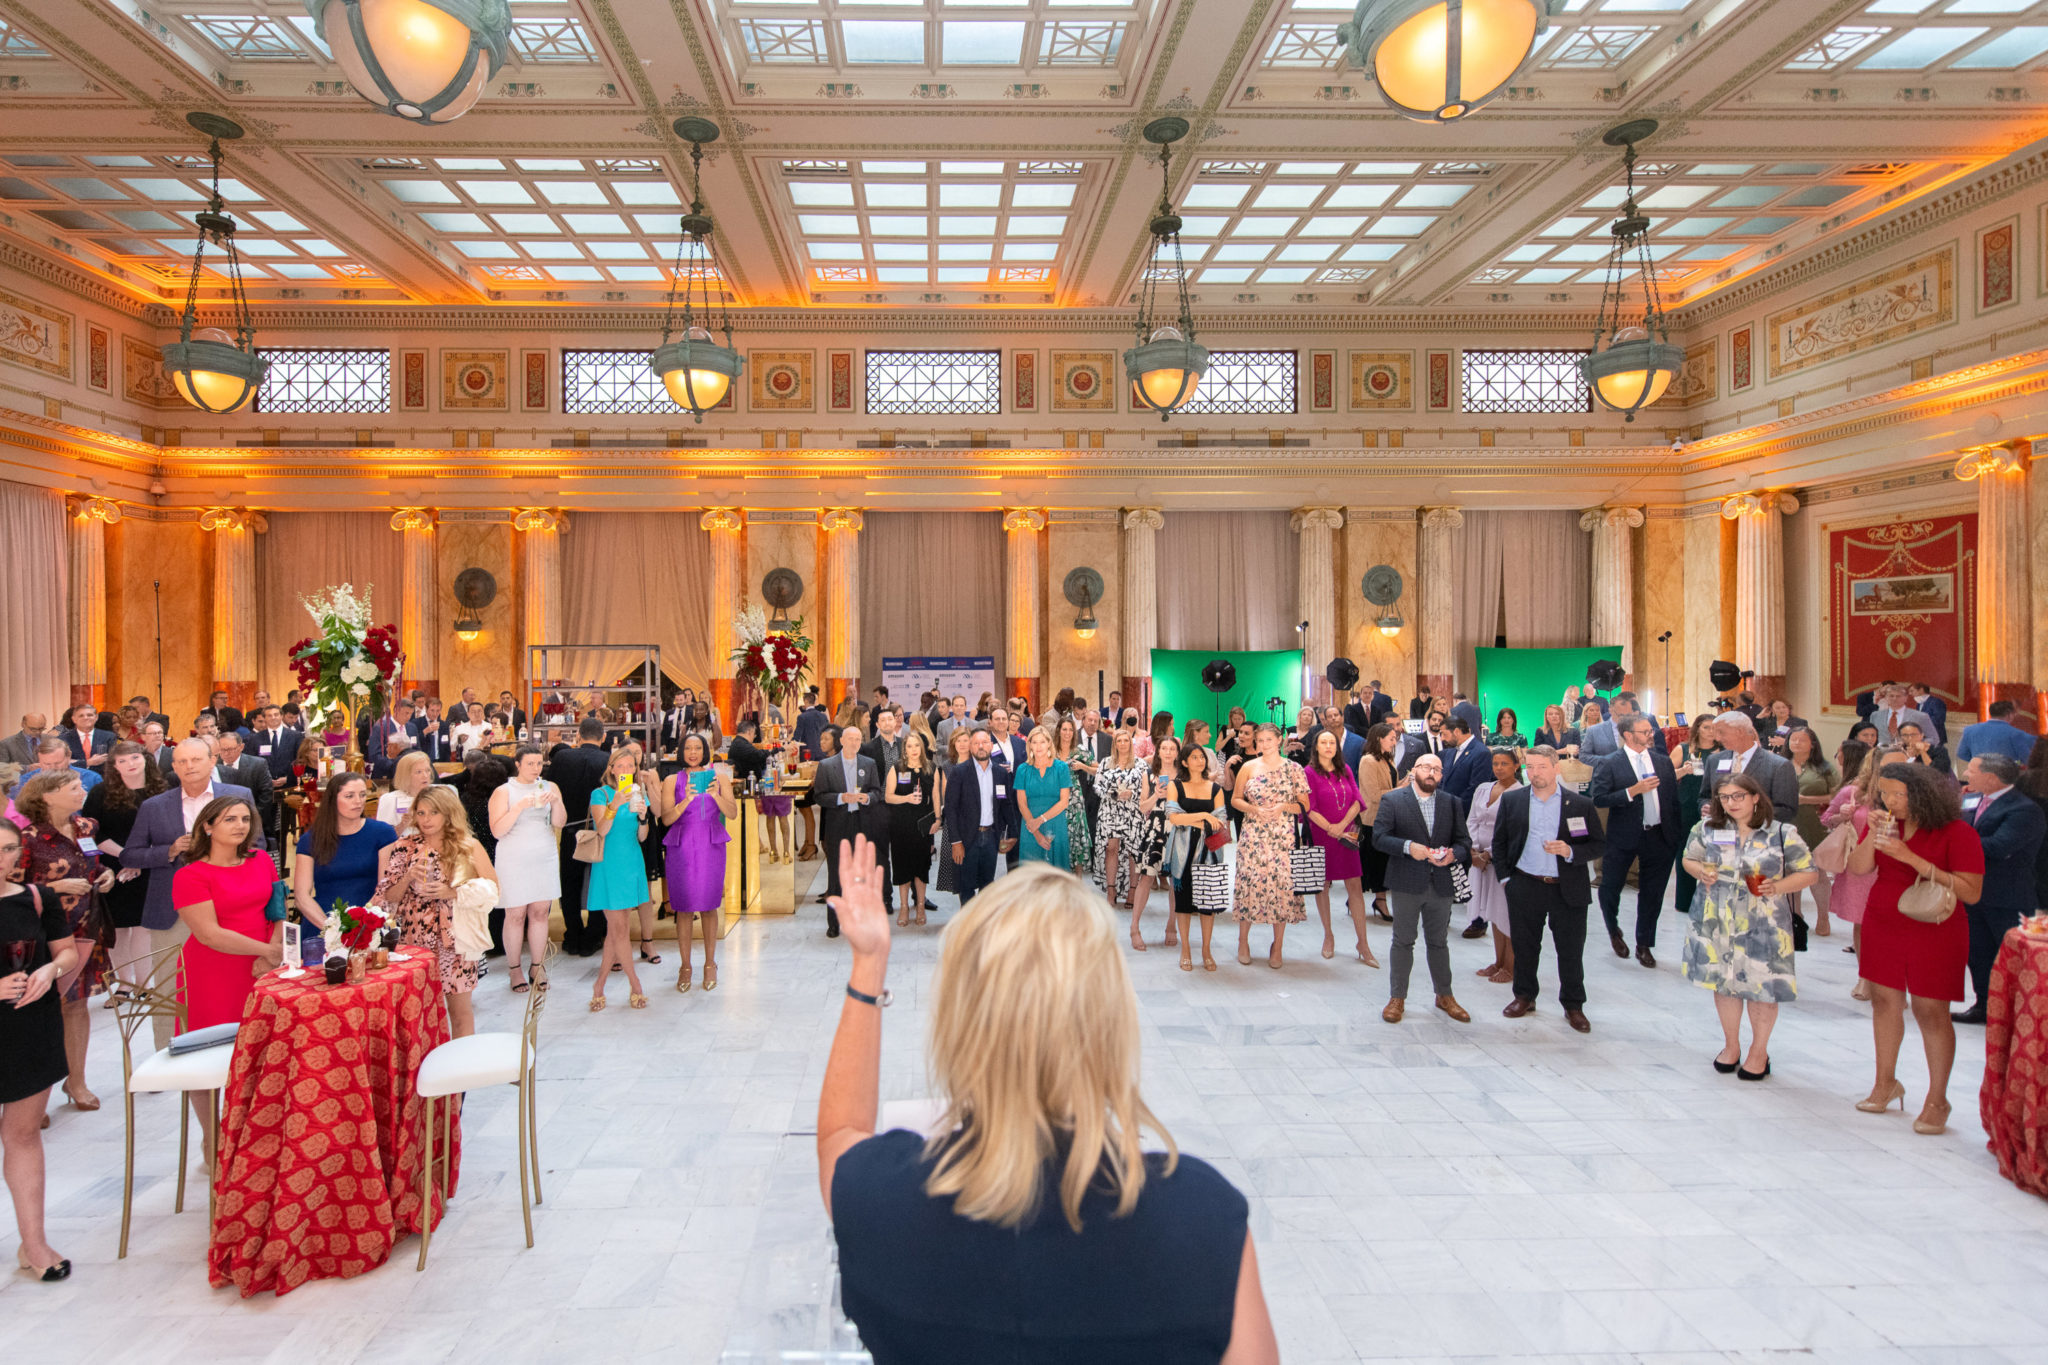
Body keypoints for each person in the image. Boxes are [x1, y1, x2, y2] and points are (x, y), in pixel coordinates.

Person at [817, 845, 1275, 1364]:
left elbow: (840, 1136)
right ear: (1110, 1021)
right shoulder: (1202, 1221)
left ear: (961, 1021)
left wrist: (869, 966)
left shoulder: (887, 1205)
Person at [1848, 761, 1984, 1134]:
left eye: (1898, 794)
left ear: (1922, 795)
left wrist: (1910, 857)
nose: (1890, 800)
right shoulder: (1888, 824)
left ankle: (1938, 1098)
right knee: (1884, 1001)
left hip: (1935, 925)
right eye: (1885, 793)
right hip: (1884, 919)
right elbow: (1859, 869)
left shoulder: (1957, 832)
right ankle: (1885, 1082)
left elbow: (1971, 891)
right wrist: (1869, 833)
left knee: (1930, 1009)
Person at [1678, 774, 1817, 1080]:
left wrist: (1778, 886)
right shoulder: (1708, 828)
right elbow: (1689, 859)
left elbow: (1809, 872)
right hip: (1717, 917)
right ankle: (1731, 1046)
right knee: (1724, 983)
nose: (1732, 803)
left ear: (1756, 797)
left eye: (1738, 796)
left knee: (1762, 988)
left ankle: (1759, 1051)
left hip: (1764, 922)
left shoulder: (1781, 832)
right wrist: (1702, 871)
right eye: (1725, 797)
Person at [0, 821, 77, 1281]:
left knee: (23, 1135)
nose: (3, 857)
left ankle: (34, 1244)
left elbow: (65, 951)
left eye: (10, 848)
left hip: (31, 1023)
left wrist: (50, 971)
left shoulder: (36, 896)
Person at [14, 772, 113, 1112]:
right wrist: (55, 889)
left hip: (86, 930)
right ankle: (33, 1096)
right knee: (40, 1011)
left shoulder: (87, 827)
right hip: (42, 937)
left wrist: (107, 876)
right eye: (73, 788)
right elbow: (12, 889)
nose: (82, 790)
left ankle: (77, 1081)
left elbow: (93, 866)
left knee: (76, 1005)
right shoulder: (26, 838)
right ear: (47, 797)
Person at [1492, 746, 1606, 1031]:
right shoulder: (1513, 801)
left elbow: (1598, 844)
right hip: (1525, 884)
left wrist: (1570, 851)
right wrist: (1507, 880)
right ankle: (1524, 996)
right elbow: (1500, 842)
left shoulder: (1579, 804)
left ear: (1556, 768)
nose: (1535, 773)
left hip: (1566, 889)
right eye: (1530, 767)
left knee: (1570, 950)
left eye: (1542, 766)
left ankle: (1573, 1005)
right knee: (1525, 946)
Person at [370, 787, 491, 1039]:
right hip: (413, 941)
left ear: (448, 813)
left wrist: (454, 893)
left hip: (455, 938)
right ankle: (426, 1070)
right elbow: (387, 896)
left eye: (433, 812)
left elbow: (493, 888)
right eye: (421, 813)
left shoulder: (467, 846)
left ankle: (461, 1071)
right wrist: (407, 878)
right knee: (418, 1012)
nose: (426, 819)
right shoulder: (404, 846)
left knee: (460, 1012)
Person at [1369, 753, 1471, 1023]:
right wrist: (1407, 847)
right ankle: (1397, 998)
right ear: (1414, 771)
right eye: (1426, 767)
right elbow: (1379, 838)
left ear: (1441, 775)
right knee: (1403, 941)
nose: (1431, 773)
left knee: (1438, 942)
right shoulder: (1393, 800)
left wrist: (1454, 854)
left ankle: (1444, 995)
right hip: (1406, 881)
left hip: (1441, 883)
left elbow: (1464, 842)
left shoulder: (1452, 803)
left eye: (1437, 769)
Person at [168, 794, 279, 1038]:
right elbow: (209, 935)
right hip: (215, 969)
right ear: (207, 826)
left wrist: (272, 953)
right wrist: (267, 951)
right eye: (230, 819)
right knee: (220, 1045)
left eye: (245, 819)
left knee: (267, 1038)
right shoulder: (190, 876)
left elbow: (277, 909)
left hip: (265, 962)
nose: (240, 825)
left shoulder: (261, 859)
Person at [1952, 755, 2045, 1024]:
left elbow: (1998, 847)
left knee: (2007, 956)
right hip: (1973, 891)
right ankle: (1984, 1004)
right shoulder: (1973, 797)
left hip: (2006, 895)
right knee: (1977, 951)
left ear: (1991, 777)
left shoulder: (2023, 810)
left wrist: (1956, 841)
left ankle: (2012, 1010)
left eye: (1972, 770)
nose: (1967, 773)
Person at [1591, 714, 1683, 968]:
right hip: (1623, 836)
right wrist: (1632, 791)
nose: (1651, 734)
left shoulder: (1663, 763)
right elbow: (1599, 798)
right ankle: (1613, 929)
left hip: (1659, 836)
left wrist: (1674, 836)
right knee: (1610, 887)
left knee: (1652, 894)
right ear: (1628, 735)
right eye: (1645, 731)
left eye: (1650, 730)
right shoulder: (1610, 763)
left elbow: (1672, 802)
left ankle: (1644, 944)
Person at [82, 741, 165, 993]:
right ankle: (123, 985)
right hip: (112, 868)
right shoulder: (100, 791)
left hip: (153, 865)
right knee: (117, 927)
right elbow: (91, 833)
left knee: (143, 927)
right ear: (114, 765)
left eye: (134, 758)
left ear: (145, 759)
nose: (130, 764)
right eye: (122, 761)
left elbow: (168, 831)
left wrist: (141, 859)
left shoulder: (162, 788)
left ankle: (143, 984)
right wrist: (128, 857)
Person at [293, 772, 397, 968]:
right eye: (349, 796)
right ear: (333, 800)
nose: (358, 802)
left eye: (362, 795)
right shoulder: (311, 839)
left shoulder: (382, 833)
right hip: (321, 924)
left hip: (369, 926)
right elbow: (301, 896)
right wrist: (332, 931)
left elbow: (384, 888)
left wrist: (364, 927)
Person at [659, 733, 736, 991]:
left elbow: (733, 813)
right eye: (689, 748)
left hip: (711, 846)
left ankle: (710, 963)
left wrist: (716, 795)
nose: (693, 752)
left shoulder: (720, 777)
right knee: (683, 907)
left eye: (698, 748)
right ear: (682, 751)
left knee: (709, 905)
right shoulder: (671, 780)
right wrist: (687, 800)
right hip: (682, 847)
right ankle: (685, 966)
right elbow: (666, 819)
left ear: (706, 751)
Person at [489, 744, 565, 994]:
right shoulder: (503, 791)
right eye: (530, 763)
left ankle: (537, 965)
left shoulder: (550, 786)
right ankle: (514, 969)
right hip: (513, 857)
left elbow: (559, 823)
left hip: (543, 854)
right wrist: (519, 806)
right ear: (518, 764)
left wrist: (556, 803)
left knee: (540, 912)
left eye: (539, 764)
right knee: (515, 914)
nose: (535, 768)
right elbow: (498, 831)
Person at [1231, 724, 1308, 970]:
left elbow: (1304, 805)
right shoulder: (1248, 767)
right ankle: (1243, 941)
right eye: (1260, 740)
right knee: (1249, 883)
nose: (1264, 744)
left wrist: (1283, 807)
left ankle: (1278, 945)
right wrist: (1254, 809)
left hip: (1283, 836)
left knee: (1281, 887)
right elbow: (1235, 799)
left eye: (1268, 740)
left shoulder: (1294, 769)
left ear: (1279, 740)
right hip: (1253, 834)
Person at [585, 747, 653, 1011]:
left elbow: (642, 837)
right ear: (611, 768)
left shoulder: (639, 793)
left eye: (630, 766)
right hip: (609, 865)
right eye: (621, 766)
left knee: (616, 932)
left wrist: (643, 816)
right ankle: (635, 985)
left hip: (632, 862)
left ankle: (599, 985)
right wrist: (615, 804)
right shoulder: (600, 794)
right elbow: (602, 829)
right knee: (620, 929)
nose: (626, 770)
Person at [1303, 729, 1372, 964]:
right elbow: (1309, 808)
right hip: (1322, 834)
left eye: (1332, 742)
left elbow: (1357, 800)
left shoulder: (1346, 769)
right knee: (1322, 884)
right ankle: (1328, 935)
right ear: (1316, 747)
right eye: (1324, 742)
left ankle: (1362, 942)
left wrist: (1342, 826)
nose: (1328, 746)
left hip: (1346, 836)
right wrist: (1331, 828)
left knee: (1355, 884)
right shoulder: (1309, 772)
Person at [544, 718, 611, 956]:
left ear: (579, 736)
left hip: (570, 827)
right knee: (598, 881)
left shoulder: (562, 758)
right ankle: (594, 934)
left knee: (569, 882)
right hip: (599, 828)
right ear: (603, 737)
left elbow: (550, 788)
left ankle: (572, 934)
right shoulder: (607, 760)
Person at [1167, 745, 1229, 973]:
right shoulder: (1176, 786)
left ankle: (1206, 949)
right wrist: (1203, 816)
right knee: (1183, 903)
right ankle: (1185, 949)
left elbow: (1220, 819)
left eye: (1202, 757)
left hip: (1210, 851)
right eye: (1194, 757)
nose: (1200, 760)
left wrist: (1190, 820)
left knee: (1207, 903)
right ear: (1184, 762)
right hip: (1182, 850)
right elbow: (1173, 817)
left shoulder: (1215, 788)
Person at [816, 725, 883, 936]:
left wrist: (868, 798)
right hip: (838, 825)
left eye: (858, 739)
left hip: (863, 823)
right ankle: (834, 924)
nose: (855, 743)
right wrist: (840, 798)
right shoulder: (827, 765)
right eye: (850, 739)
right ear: (842, 741)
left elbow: (876, 792)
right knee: (836, 875)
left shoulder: (869, 764)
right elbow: (819, 796)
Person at [1465, 749, 1521, 985]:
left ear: (1516, 766)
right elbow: (1472, 820)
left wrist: (1489, 854)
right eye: (1496, 763)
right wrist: (1474, 850)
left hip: (1504, 859)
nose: (1499, 768)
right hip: (1480, 859)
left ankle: (1511, 966)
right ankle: (1498, 961)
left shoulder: (1520, 793)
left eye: (1505, 763)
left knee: (1506, 913)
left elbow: (1514, 832)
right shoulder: (1483, 789)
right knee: (1492, 914)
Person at [1126, 736, 1182, 951]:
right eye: (1164, 748)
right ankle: (1134, 927)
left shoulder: (1185, 776)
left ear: (1178, 752)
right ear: (1158, 752)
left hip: (1178, 827)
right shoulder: (1148, 774)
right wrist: (1157, 795)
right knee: (1147, 877)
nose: (1168, 752)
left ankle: (1171, 924)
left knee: (1176, 880)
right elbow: (1142, 807)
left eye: (1172, 748)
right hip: (1156, 826)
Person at [1784, 726, 1837, 937]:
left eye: (1801, 740)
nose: (1796, 743)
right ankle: (1795, 915)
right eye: (1793, 739)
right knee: (1791, 871)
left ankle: (1823, 917)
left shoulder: (1824, 768)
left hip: (1815, 823)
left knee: (1817, 871)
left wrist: (1807, 800)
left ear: (1812, 744)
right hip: (1788, 823)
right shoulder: (1780, 765)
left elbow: (1836, 797)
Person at [1701, 712, 1799, 816]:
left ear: (1739, 731)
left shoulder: (1778, 765)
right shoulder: (1714, 760)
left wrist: (1748, 818)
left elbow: (1786, 809)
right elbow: (1705, 796)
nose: (1717, 739)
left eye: (1721, 732)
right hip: (1720, 829)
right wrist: (1706, 807)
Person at [884, 730, 935, 926]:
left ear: (922, 748)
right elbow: (888, 796)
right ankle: (904, 907)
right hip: (900, 825)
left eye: (916, 746)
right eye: (909, 746)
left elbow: (936, 798)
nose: (913, 750)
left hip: (922, 826)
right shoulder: (896, 768)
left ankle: (920, 905)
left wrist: (936, 820)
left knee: (921, 868)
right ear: (904, 750)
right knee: (903, 867)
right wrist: (906, 798)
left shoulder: (930, 768)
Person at [1093, 728, 1145, 909]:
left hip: (1133, 812)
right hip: (1110, 810)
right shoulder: (1106, 763)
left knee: (1133, 851)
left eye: (1126, 741)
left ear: (1131, 743)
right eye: (1119, 741)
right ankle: (1111, 889)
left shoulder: (1140, 764)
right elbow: (1097, 787)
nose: (1122, 744)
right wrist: (1113, 795)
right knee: (1111, 848)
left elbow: (1148, 788)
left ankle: (1132, 890)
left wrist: (1133, 793)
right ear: (1114, 744)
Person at [1015, 728, 1074, 871]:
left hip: (1055, 825)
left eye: (1042, 742)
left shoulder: (1061, 767)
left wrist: (1040, 820)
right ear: (1029, 745)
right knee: (1032, 877)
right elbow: (1022, 804)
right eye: (1034, 742)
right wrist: (1036, 832)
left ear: (1049, 744)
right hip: (1030, 826)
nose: (1038, 746)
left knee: (1056, 877)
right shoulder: (1022, 769)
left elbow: (1064, 802)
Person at [1055, 716, 1098, 879]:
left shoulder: (1079, 751)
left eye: (1070, 730)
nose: (1067, 733)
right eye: (1064, 729)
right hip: (1055, 797)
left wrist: (1083, 766)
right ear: (1058, 731)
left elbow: (1099, 768)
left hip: (1074, 798)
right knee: (1060, 835)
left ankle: (1078, 879)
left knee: (1077, 836)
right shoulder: (1051, 750)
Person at [1956, 699, 2037, 765]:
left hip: (1979, 776)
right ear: (2010, 714)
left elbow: (1961, 753)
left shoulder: (1969, 730)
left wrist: (1981, 764)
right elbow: (2027, 759)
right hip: (2005, 779)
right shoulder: (2016, 734)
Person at [1909, 683, 1949, 748]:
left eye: (1912, 691)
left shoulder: (1936, 702)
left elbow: (1939, 719)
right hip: (1923, 737)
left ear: (1921, 690)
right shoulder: (1919, 704)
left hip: (1935, 737)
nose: (1910, 693)